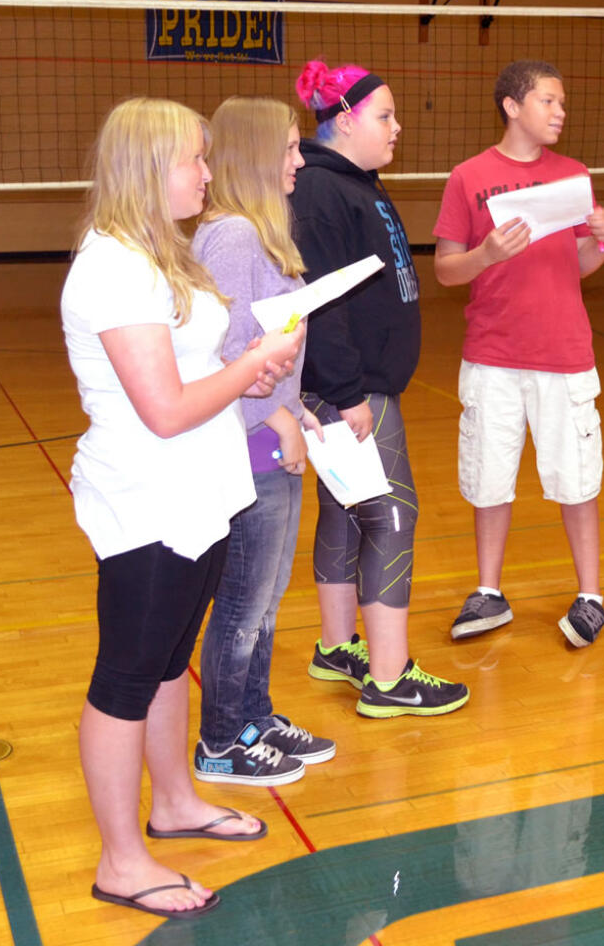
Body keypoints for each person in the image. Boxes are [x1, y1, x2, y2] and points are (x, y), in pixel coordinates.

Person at [61, 97, 304, 919]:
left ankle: (173, 805)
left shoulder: (158, 252)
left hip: (199, 494)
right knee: (126, 677)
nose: (207, 172)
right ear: (147, 167)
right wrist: (255, 367)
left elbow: (197, 369)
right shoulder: (113, 268)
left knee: (170, 663)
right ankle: (121, 861)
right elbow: (163, 408)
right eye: (193, 160)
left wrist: (252, 374)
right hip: (147, 502)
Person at [291, 59, 468, 718]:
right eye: (385, 116)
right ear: (344, 120)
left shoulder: (355, 182)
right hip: (350, 386)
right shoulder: (320, 192)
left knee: (344, 507)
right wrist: (346, 394)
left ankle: (338, 648)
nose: (397, 128)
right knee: (391, 513)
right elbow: (321, 302)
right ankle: (391, 679)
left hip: (358, 382)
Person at [433, 59, 604, 648]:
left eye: (562, 104)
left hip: (564, 354)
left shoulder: (573, 175)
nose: (560, 112)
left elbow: (579, 265)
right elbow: (444, 269)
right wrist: (485, 254)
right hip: (492, 356)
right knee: (489, 480)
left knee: (577, 481)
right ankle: (488, 591)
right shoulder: (468, 177)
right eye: (548, 101)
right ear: (512, 106)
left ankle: (590, 596)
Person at [192, 96, 333, 786]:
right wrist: (276, 419)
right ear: (253, 155)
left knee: (267, 601)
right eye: (288, 148)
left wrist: (296, 406)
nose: (299, 161)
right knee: (243, 607)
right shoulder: (233, 238)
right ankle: (220, 742)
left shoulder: (260, 233)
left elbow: (264, 347)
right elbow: (214, 353)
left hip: (273, 444)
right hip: (248, 452)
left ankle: (254, 717)